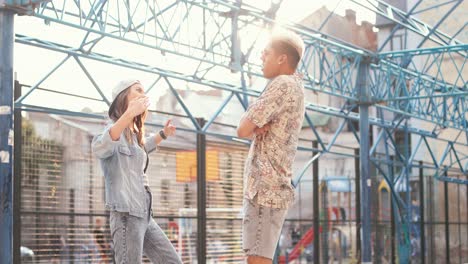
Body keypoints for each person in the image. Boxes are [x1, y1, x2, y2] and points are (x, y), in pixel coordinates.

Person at [92, 79, 182, 264]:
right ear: (123, 97)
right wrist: (129, 114)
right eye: (138, 90)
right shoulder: (113, 131)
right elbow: (100, 147)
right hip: (126, 216)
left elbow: (142, 147)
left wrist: (163, 134)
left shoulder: (132, 136)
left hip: (145, 215)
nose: (144, 94)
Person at [237, 29, 305, 264]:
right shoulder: (295, 87)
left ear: (281, 58)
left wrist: (254, 127)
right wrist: (257, 126)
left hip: (264, 191)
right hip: (272, 190)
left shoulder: (283, 84)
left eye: (265, 53)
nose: (261, 58)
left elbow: (242, 129)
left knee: (257, 260)